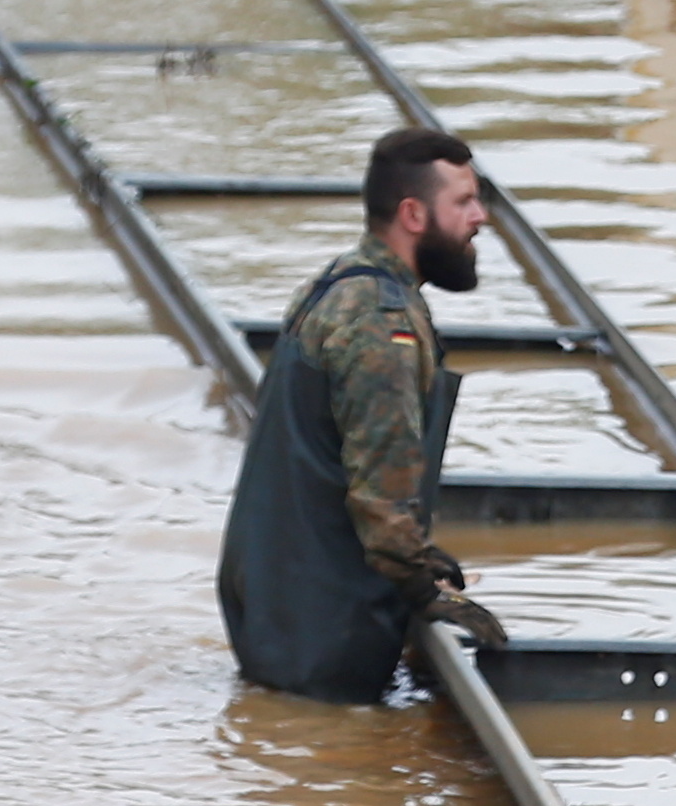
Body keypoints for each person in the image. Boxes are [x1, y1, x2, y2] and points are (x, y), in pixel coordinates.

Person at [218, 125, 515, 699]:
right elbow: (381, 492)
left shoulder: (337, 281)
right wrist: (425, 586)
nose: (480, 217)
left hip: (272, 607)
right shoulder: (383, 325)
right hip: (323, 633)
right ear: (413, 214)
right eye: (463, 202)